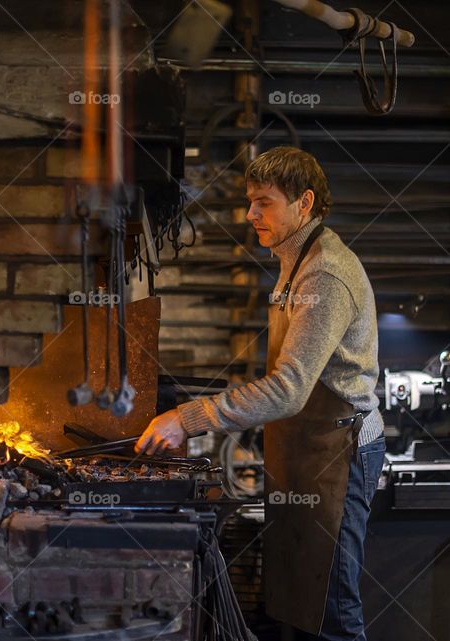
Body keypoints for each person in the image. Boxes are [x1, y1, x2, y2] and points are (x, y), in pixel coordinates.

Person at [136, 146, 386, 641]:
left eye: (263, 202)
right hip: (306, 447)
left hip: (339, 452)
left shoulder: (325, 274)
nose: (249, 214)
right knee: (300, 604)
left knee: (332, 611)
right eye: (250, 201)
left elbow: (290, 389)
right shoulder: (295, 262)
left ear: (304, 202)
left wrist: (187, 418)